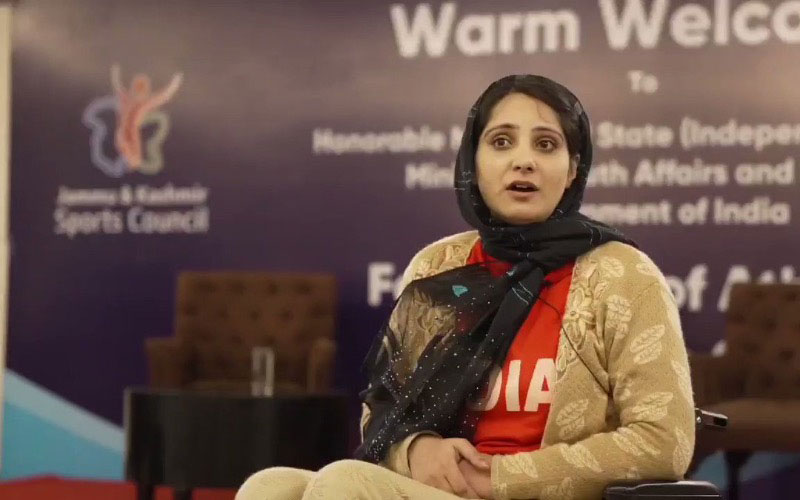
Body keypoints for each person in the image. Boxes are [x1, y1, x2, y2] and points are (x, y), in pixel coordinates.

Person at [236, 74, 695, 500]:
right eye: (501, 141)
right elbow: (385, 412)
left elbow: (663, 441)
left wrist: (498, 477)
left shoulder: (623, 276)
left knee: (346, 483)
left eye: (546, 144)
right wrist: (414, 451)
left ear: (573, 169)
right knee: (269, 488)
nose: (523, 160)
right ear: (473, 162)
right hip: (440, 491)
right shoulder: (438, 267)